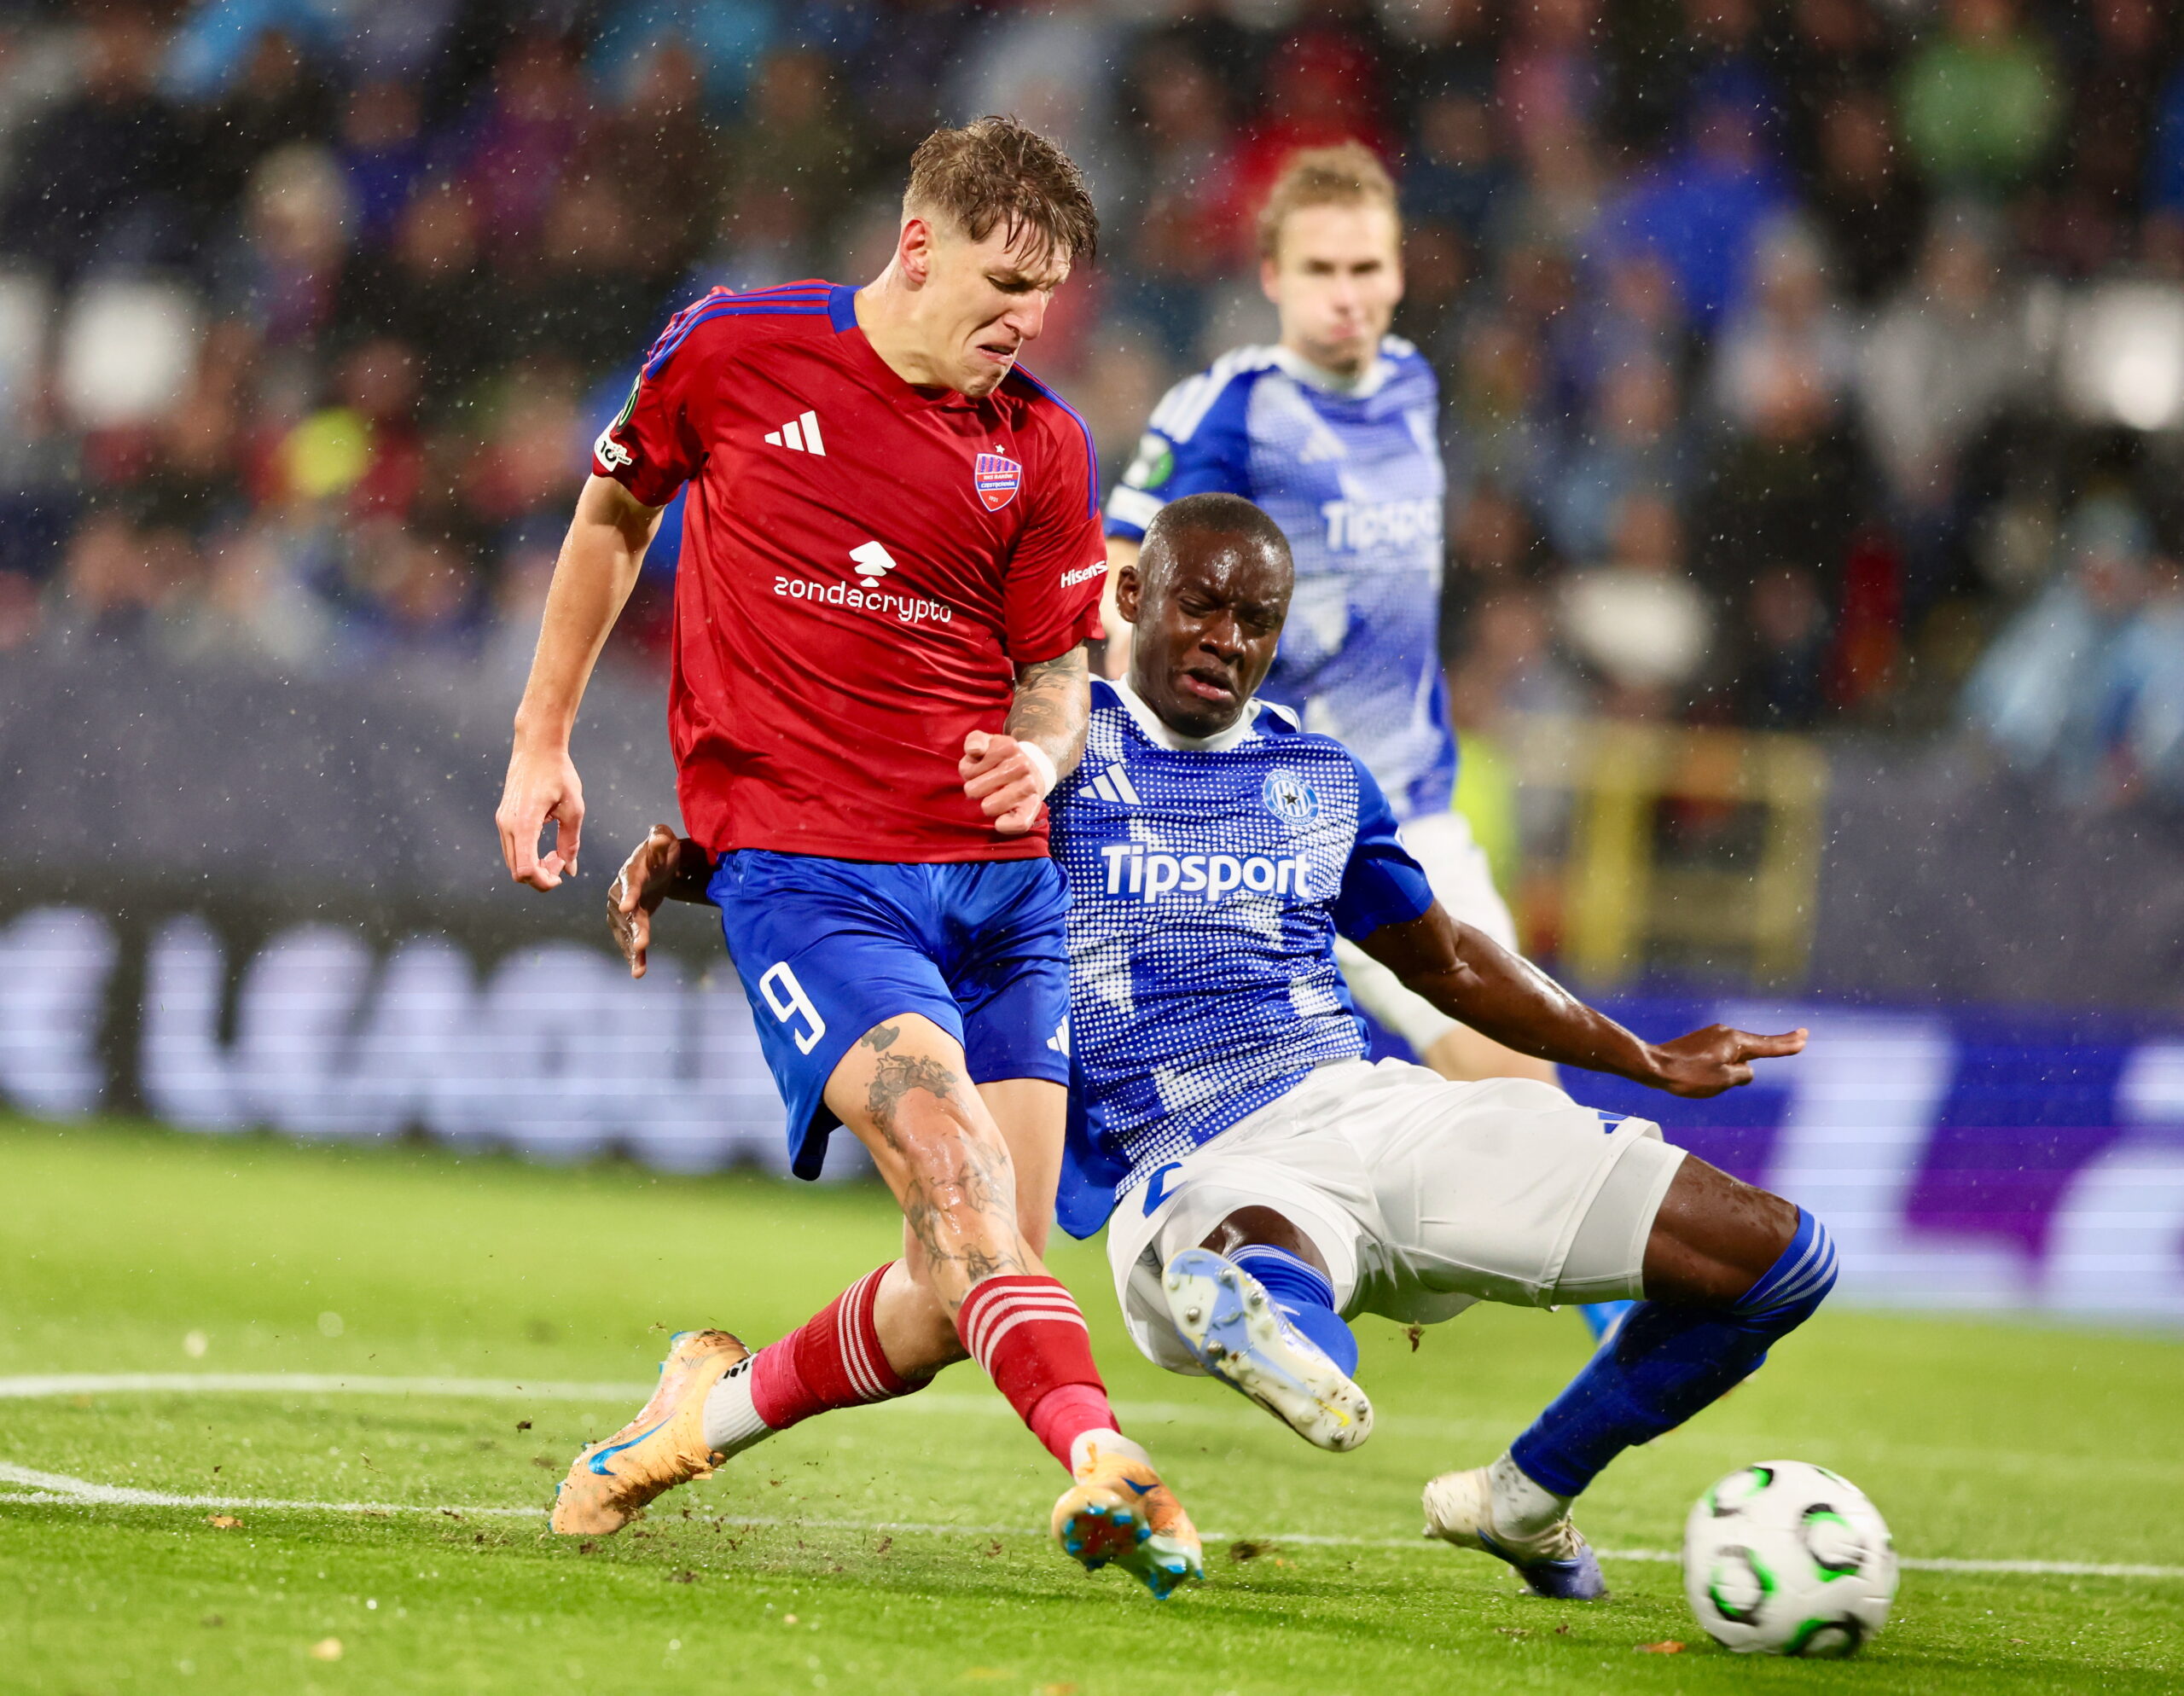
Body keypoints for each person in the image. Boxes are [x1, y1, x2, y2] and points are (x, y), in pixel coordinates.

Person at [609, 494, 1833, 1602]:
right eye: (1200, 605)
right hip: (1183, 1161)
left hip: (1373, 1105)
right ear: (1131, 599)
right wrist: (710, 865)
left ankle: (1524, 1495)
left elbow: (1446, 962)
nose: (1226, 638)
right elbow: (875, 851)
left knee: (1780, 1258)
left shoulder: (1318, 777)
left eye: (1256, 618)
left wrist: (1642, 1057)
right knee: (1249, 1247)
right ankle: (1265, 1314)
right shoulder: (1055, 749)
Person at [494, 117, 1200, 1600]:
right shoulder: (736, 351)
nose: (1028, 322)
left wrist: (1046, 748)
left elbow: (1058, 678)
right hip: (818, 881)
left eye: (1052, 297)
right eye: (1007, 282)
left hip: (1006, 889)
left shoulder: (1046, 448)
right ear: (919, 240)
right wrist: (542, 740)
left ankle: (704, 1413)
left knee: (967, 1284)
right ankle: (1108, 1461)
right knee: (958, 1191)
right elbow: (616, 509)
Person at [1102, 143, 1638, 1341]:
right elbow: (1114, 575)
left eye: (1368, 266)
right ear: (1273, 277)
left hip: (1405, 810)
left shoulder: (1414, 385)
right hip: (1261, 818)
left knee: (1517, 1080)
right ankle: (1260, 1286)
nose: (1347, 291)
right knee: (1258, 1110)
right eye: (1321, 268)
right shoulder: (1226, 408)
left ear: (1400, 275)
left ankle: (1591, 1329)